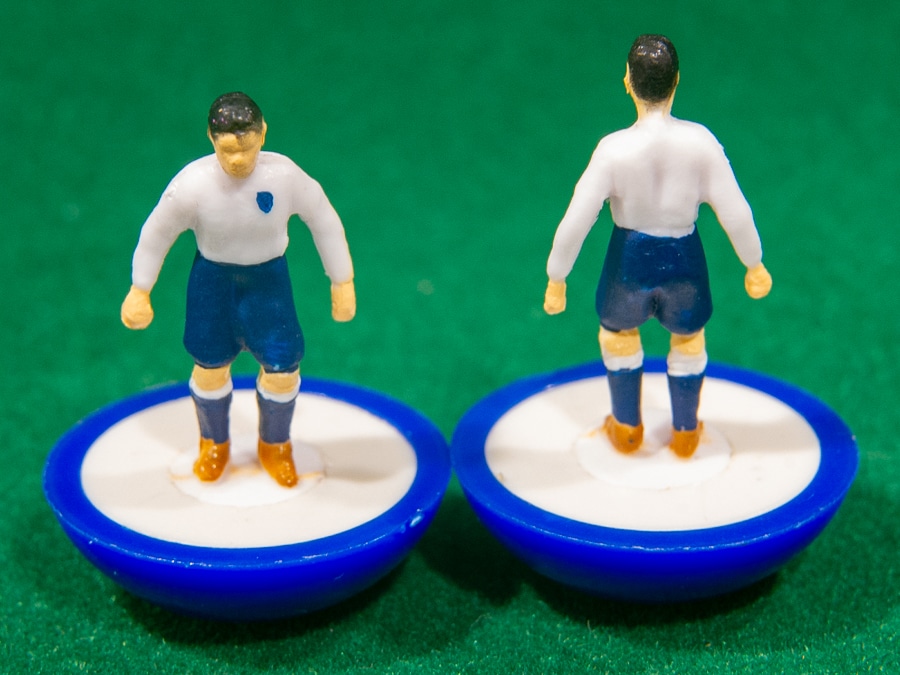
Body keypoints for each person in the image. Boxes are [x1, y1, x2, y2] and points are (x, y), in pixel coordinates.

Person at [543, 35, 772, 458]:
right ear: (677, 81)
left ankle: (627, 427)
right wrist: (753, 264)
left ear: (627, 82)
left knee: (618, 333)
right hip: (685, 260)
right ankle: (686, 432)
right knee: (689, 338)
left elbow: (578, 218)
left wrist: (557, 277)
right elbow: (735, 211)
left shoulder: (613, 150)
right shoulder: (701, 143)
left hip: (628, 262)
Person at [121, 92, 356, 487]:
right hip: (213, 285)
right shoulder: (192, 185)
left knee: (283, 370)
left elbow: (324, 219)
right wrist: (140, 289)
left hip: (269, 286)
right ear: (211, 139)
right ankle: (214, 444)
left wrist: (342, 279)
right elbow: (157, 233)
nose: (237, 160)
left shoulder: (285, 177)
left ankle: (275, 446)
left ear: (263, 134)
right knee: (209, 369)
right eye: (227, 150)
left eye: (246, 148)